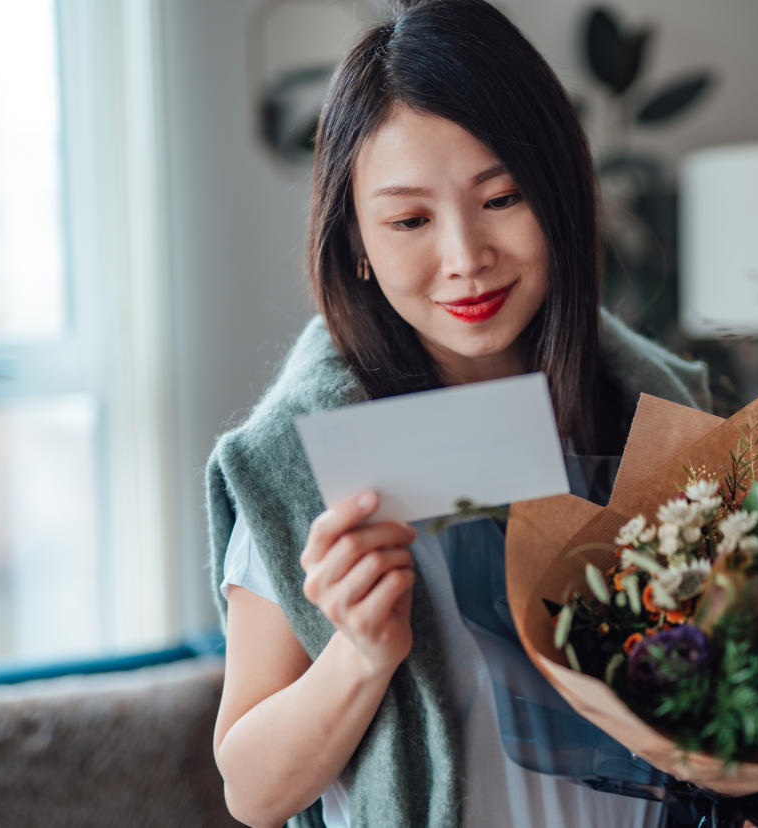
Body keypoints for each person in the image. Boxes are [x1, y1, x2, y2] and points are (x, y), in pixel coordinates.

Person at [206, 1, 710, 826]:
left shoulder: (661, 415)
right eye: (409, 220)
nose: (466, 259)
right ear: (357, 245)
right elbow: (251, 793)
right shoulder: (310, 463)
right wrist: (361, 655)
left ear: (561, 194)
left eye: (503, 198)